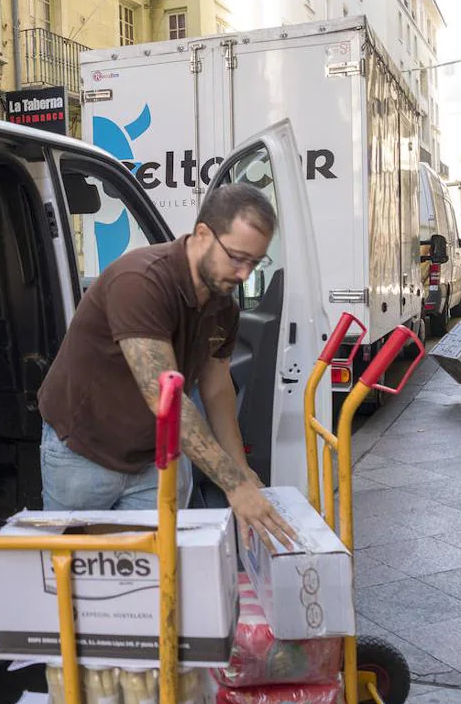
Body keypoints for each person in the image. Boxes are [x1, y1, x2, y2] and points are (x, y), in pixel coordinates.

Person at [37, 184, 297, 548]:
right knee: (72, 575)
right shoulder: (141, 281)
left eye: (255, 263)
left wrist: (242, 472)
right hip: (83, 452)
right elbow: (165, 398)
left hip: (155, 460)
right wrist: (233, 486)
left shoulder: (223, 306)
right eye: (237, 258)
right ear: (203, 234)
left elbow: (217, 389)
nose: (244, 274)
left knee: (159, 577)